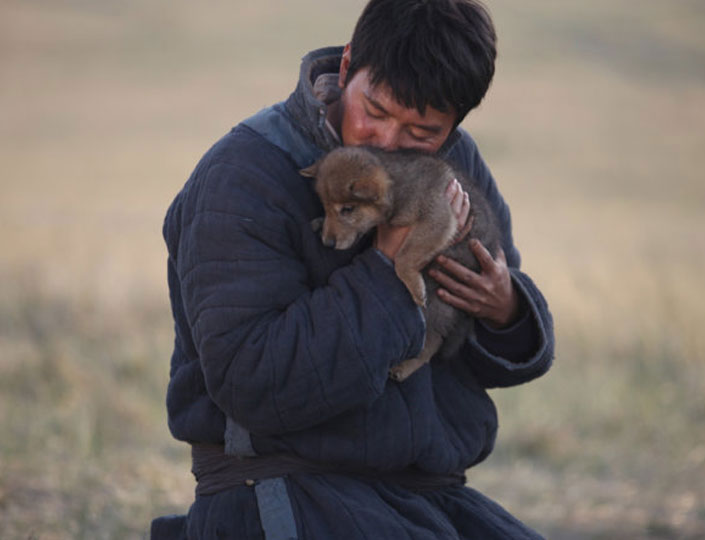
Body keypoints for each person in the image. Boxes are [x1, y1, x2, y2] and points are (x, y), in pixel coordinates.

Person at [151, 0, 554, 538]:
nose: (388, 143)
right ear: (345, 70)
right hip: (285, 488)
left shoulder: (452, 166)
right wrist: (391, 268)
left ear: (455, 123)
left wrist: (505, 309)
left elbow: (469, 345)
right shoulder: (244, 175)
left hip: (429, 494)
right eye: (377, 111)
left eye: (422, 131)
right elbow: (255, 382)